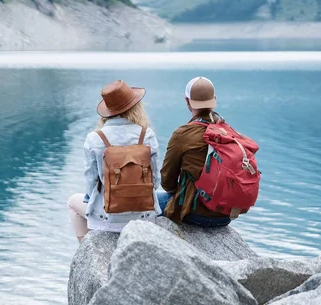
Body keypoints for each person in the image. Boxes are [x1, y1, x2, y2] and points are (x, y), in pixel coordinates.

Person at [67, 80, 160, 242]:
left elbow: (90, 184)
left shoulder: (94, 138)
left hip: (107, 218)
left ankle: (90, 251)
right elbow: (156, 181)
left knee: (72, 202)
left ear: (107, 111)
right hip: (144, 216)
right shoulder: (147, 135)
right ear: (135, 107)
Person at [157, 77, 232, 228]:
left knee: (144, 202)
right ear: (214, 99)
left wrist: (183, 192)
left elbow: (167, 182)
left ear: (187, 101)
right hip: (226, 215)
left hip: (194, 213)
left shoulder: (182, 134)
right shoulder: (226, 131)